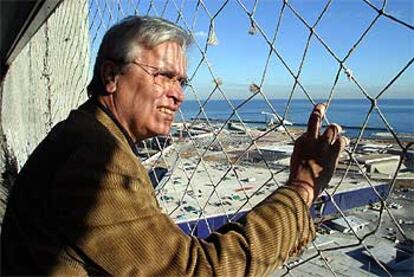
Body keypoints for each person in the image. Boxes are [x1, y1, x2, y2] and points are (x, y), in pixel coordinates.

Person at [1, 16, 347, 276]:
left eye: (182, 81)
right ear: (111, 76)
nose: (179, 94)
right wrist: (302, 188)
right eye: (164, 76)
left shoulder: (86, 134)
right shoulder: (95, 158)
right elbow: (198, 271)